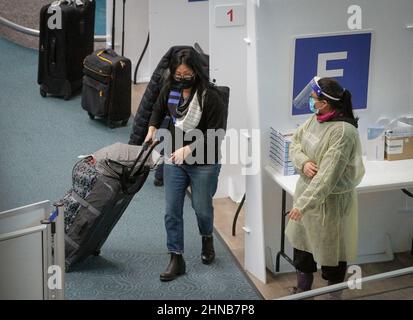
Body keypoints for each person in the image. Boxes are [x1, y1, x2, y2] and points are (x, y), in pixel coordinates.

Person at [144, 48, 227, 281]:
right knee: (171, 211)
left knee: (201, 209)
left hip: (203, 162)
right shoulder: (170, 88)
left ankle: (206, 237)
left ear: (197, 72)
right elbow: (157, 110)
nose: (181, 78)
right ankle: (176, 257)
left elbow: (216, 133)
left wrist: (188, 148)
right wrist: (152, 128)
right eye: (178, 74)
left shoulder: (210, 97)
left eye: (186, 74)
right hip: (174, 159)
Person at [286, 77, 365, 299]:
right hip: (307, 196)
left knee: (333, 256)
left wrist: (303, 205)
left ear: (325, 103)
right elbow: (295, 143)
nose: (311, 103)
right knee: (303, 249)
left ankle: (334, 296)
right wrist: (303, 162)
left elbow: (327, 178)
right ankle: (303, 291)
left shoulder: (343, 132)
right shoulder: (316, 119)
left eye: (313, 99)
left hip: (330, 204)